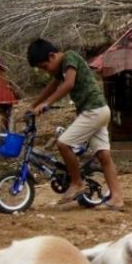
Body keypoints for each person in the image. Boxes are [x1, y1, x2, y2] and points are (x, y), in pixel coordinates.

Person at [27, 39, 124, 208]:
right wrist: (33, 105)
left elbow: (68, 84)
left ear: (52, 56)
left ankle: (77, 182)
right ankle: (117, 198)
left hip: (93, 111)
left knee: (63, 143)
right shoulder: (60, 69)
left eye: (44, 67)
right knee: (104, 156)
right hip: (99, 111)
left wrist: (47, 103)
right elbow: (51, 87)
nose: (45, 71)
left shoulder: (70, 57)